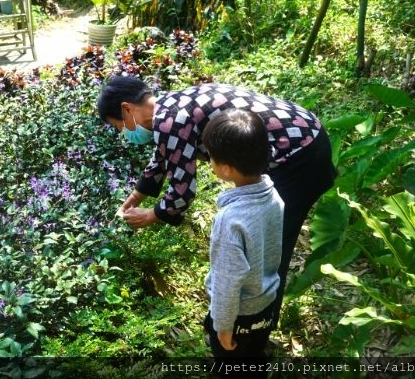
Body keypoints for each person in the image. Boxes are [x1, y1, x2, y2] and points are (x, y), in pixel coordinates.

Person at [97, 76, 336, 329]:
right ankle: (249, 320)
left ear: (127, 109)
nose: (124, 133)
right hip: (308, 133)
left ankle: (255, 326)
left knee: (267, 247)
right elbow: (164, 156)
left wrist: (152, 215)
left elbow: (182, 191)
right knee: (266, 240)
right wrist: (136, 197)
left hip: (299, 156)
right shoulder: (170, 105)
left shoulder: (170, 120)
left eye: (118, 126)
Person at [201, 108, 283, 376]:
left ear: (225, 168)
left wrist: (223, 327)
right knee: (254, 355)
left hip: (238, 317)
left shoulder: (230, 221)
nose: (209, 163)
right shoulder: (274, 197)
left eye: (211, 158)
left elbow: (227, 281)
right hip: (266, 304)